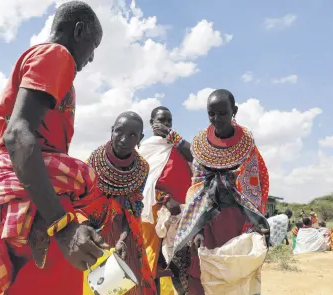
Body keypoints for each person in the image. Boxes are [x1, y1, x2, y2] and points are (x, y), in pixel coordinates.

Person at [0, 2, 105, 295]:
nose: (92, 57)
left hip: (28, 203)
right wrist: (61, 225)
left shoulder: (38, 59)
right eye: (92, 45)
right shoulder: (56, 54)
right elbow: (18, 133)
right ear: (78, 30)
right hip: (39, 210)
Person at [173, 89, 270, 294]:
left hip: (238, 220)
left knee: (237, 273)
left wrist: (254, 224)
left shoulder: (247, 146)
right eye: (211, 113)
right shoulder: (200, 146)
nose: (217, 119)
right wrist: (197, 228)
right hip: (208, 218)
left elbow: (254, 185)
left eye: (223, 113)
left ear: (234, 111)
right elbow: (197, 187)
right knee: (203, 272)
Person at [80, 112, 156, 294]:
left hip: (126, 231)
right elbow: (83, 204)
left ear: (140, 138)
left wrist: (122, 238)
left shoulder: (142, 168)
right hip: (94, 231)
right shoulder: (92, 162)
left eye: (132, 135)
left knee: (128, 282)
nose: (123, 139)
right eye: (119, 131)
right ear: (112, 131)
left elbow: (134, 207)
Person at [138, 106, 193, 295]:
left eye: (169, 121)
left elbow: (196, 155)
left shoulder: (177, 146)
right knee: (151, 262)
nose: (166, 124)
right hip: (152, 215)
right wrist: (164, 199)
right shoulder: (145, 149)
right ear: (151, 123)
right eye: (161, 120)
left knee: (179, 262)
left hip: (179, 214)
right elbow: (140, 182)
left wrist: (174, 137)